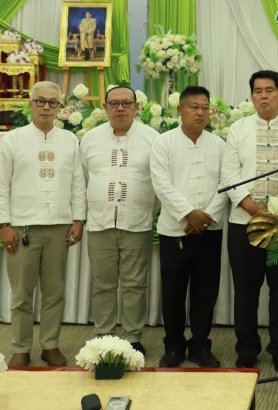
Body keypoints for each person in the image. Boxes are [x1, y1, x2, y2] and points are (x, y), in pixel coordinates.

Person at [221, 70, 278, 376]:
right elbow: (229, 172)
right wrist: (250, 206)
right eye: (257, 91)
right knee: (245, 291)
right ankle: (246, 351)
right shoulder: (238, 129)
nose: (263, 96)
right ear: (251, 96)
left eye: (269, 90)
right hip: (243, 222)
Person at [0, 81, 86, 367]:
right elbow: (0, 185)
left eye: (52, 102)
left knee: (54, 292)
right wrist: (3, 224)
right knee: (22, 294)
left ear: (60, 107)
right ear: (31, 104)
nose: (46, 107)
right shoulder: (13, 139)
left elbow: (77, 183)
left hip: (59, 227)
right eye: (40, 101)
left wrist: (78, 219)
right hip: (22, 228)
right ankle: (21, 347)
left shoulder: (69, 140)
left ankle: (50, 345)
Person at [151, 85, 229, 368]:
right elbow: (161, 184)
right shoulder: (163, 142)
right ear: (180, 110)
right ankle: (173, 346)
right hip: (175, 230)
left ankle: (200, 346)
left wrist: (205, 216)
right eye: (194, 107)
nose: (200, 112)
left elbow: (226, 184)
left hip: (209, 230)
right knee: (173, 292)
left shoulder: (219, 144)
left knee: (205, 292)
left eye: (205, 108)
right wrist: (188, 214)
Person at [79, 85, 159, 356]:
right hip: (99, 223)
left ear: (137, 107)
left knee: (135, 284)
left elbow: (160, 182)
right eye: (114, 103)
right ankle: (103, 336)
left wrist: (147, 210)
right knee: (102, 284)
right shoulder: (90, 139)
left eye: (126, 103)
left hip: (137, 223)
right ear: (105, 108)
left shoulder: (152, 139)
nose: (120, 108)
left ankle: (133, 337)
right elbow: (83, 180)